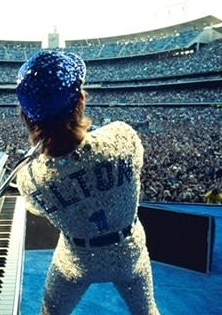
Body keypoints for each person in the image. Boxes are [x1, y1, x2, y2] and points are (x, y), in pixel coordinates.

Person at [15, 50, 159, 315]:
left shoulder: (30, 178)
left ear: (26, 117)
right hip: (129, 254)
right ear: (81, 99)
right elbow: (135, 166)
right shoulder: (122, 136)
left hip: (75, 262)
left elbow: (37, 209)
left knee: (50, 312)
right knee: (147, 311)